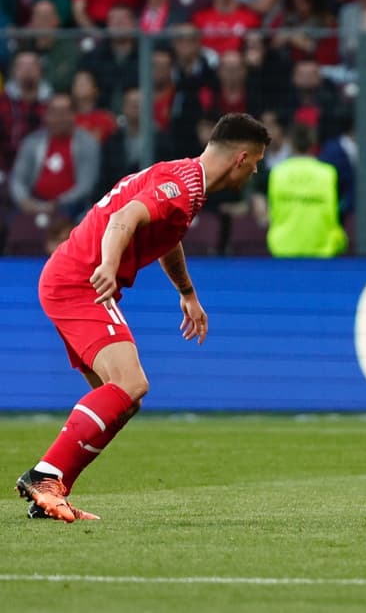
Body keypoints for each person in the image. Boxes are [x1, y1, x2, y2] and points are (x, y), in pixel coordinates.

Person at [13, 113, 269, 522]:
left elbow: (168, 236)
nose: (256, 169)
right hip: (83, 279)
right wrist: (109, 266)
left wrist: (187, 292)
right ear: (240, 158)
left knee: (122, 400)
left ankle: (52, 494)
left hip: (70, 276)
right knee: (131, 384)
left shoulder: (186, 183)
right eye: (256, 161)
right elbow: (124, 218)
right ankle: (45, 476)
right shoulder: (183, 186)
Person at [266, 122, 346, 258]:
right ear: (313, 143)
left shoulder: (277, 173)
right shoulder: (328, 173)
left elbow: (272, 211)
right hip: (323, 249)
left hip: (283, 249)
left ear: (290, 143)